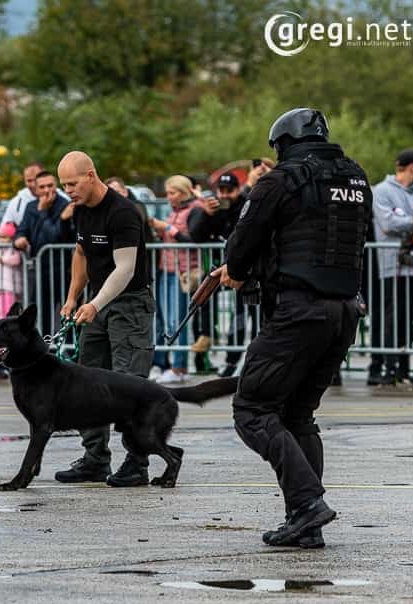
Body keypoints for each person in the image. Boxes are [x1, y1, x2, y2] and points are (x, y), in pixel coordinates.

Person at [213, 108, 371, 549]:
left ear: (283, 144)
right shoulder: (356, 178)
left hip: (297, 312)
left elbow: (242, 243)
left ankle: (307, 504)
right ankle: (305, 523)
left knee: (252, 408)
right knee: (299, 415)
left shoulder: (280, 181)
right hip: (344, 311)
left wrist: (237, 271)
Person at [53, 151, 155, 486]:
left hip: (130, 304)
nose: (68, 190)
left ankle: (137, 464)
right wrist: (72, 297)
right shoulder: (81, 209)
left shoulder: (123, 212)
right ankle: (95, 459)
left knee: (128, 384)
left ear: (91, 175)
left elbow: (125, 269)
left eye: (72, 183)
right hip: (97, 302)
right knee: (87, 382)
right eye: (64, 185)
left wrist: (95, 304)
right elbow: (81, 253)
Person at [187, 172, 254, 377]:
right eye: (221, 190)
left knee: (243, 315)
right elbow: (196, 236)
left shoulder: (247, 205)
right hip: (219, 269)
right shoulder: (213, 208)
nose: (224, 195)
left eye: (229, 190)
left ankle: (238, 361)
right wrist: (207, 214)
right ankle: (207, 334)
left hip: (244, 271)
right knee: (202, 296)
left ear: (238, 189)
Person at [370, 149, 413, 385]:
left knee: (412, 319)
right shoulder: (382, 190)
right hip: (392, 266)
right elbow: (388, 223)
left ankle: (405, 368)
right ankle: (388, 367)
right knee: (393, 318)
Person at [148, 175, 202, 383]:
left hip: (182, 273)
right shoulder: (174, 211)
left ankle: (179, 367)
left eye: (172, 193)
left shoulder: (195, 209)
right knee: (162, 320)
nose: (168, 196)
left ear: (183, 192)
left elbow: (193, 239)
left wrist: (167, 228)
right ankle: (162, 364)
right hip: (166, 270)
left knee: (177, 321)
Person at [14, 171, 73, 335]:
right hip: (40, 270)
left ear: (56, 186)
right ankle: (45, 345)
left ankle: (68, 347)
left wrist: (42, 212)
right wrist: (18, 240)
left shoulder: (65, 205)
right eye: (42, 187)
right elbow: (22, 230)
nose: (47, 190)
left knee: (67, 313)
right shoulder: (31, 206)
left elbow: (54, 236)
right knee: (41, 313)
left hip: (63, 269)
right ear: (35, 189)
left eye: (50, 185)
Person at [0, 223, 24, 320]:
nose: (0, 239)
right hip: (1, 285)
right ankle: (3, 323)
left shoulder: (14, 249)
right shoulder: (0, 250)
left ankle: (10, 324)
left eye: (4, 237)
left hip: (10, 287)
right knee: (1, 310)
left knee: (10, 309)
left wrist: (3, 260)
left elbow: (16, 260)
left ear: (11, 238)